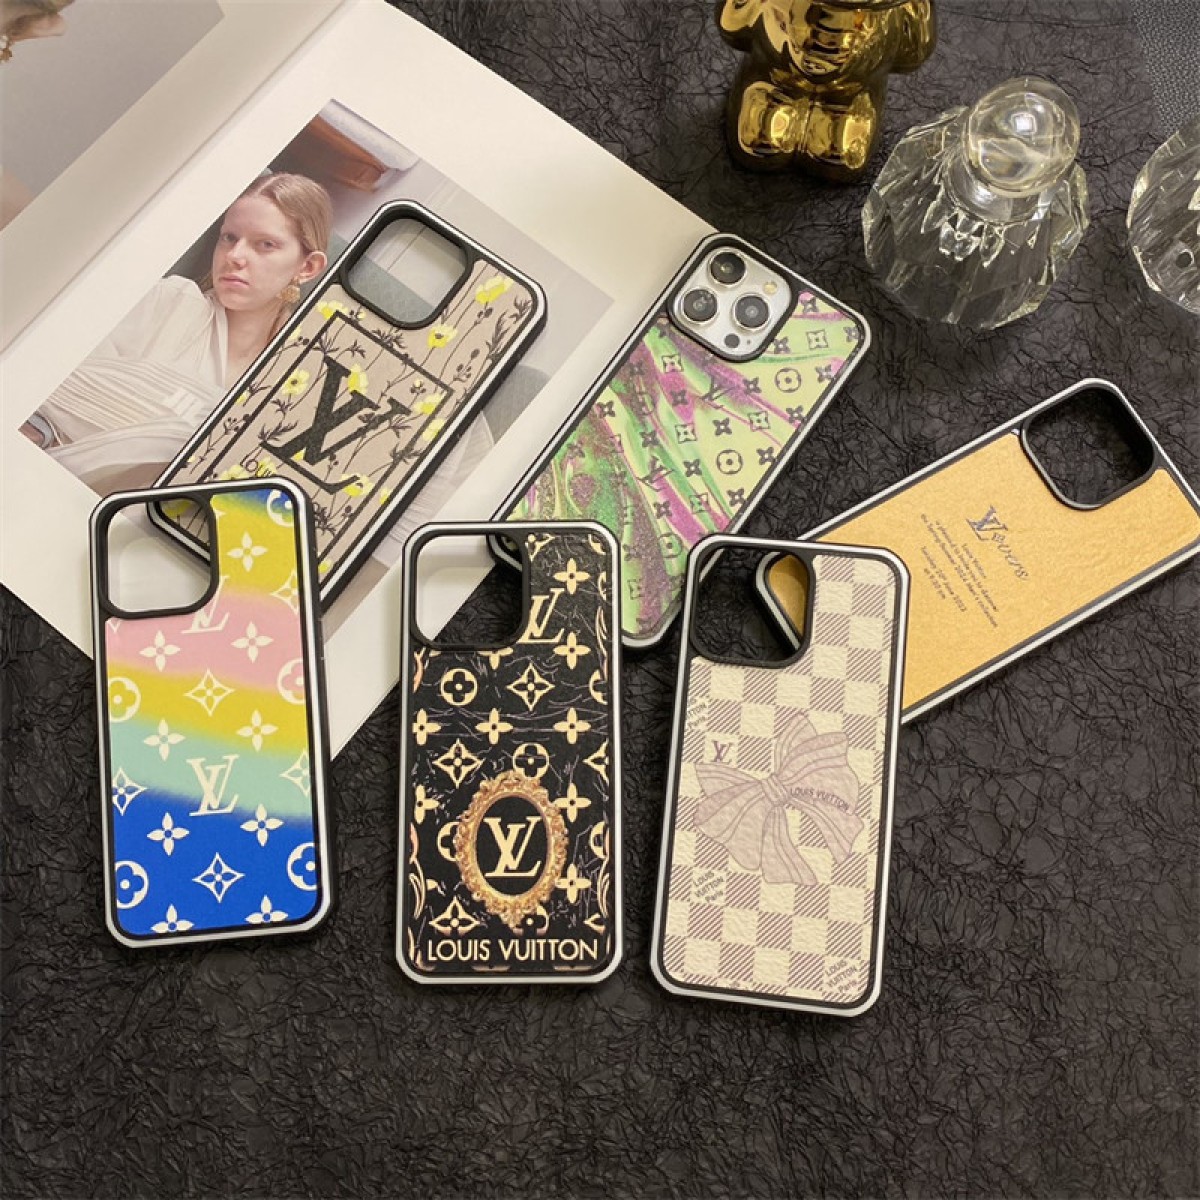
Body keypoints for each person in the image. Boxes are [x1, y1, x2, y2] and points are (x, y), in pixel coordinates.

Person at [26, 172, 332, 492]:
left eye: (265, 245)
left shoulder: (297, 383)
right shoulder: (170, 302)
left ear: (307, 267)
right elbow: (48, 396)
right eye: (229, 238)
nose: (234, 256)